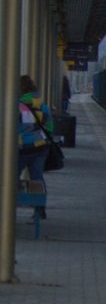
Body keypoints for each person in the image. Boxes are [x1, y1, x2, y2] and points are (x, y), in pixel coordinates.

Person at [18, 75, 53, 219]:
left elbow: (14, 128)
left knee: (10, 178)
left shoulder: (18, 105)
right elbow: (50, 126)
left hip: (22, 148)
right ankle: (39, 209)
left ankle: (7, 206)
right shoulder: (41, 104)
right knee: (37, 178)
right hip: (40, 148)